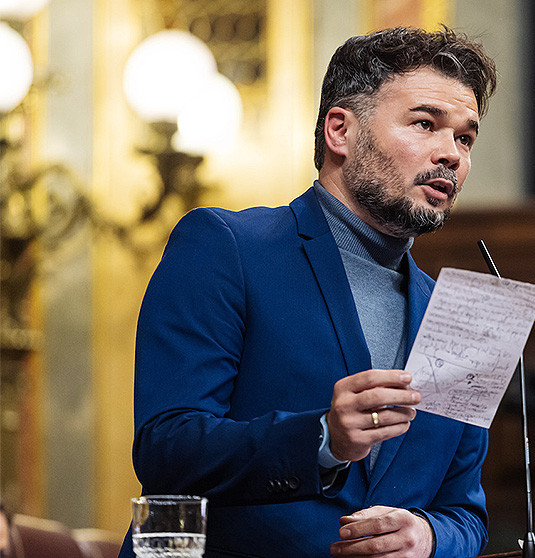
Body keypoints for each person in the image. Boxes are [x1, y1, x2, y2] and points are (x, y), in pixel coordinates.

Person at [116, 26, 498, 558]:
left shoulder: (467, 321)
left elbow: (466, 515)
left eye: (464, 138)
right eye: (425, 124)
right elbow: (166, 450)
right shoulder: (226, 245)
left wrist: (429, 537)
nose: (451, 154)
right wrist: (321, 439)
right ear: (340, 131)